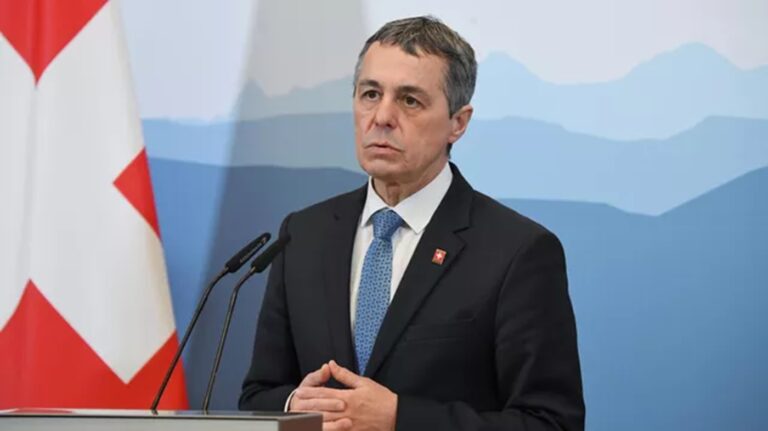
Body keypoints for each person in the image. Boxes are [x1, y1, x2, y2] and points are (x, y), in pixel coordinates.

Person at [239, 16, 584, 431]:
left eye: (410, 100)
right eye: (370, 94)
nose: (382, 116)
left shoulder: (518, 251)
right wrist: (297, 404)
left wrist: (400, 419)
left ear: (458, 122)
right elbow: (258, 395)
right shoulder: (304, 234)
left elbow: (551, 423)